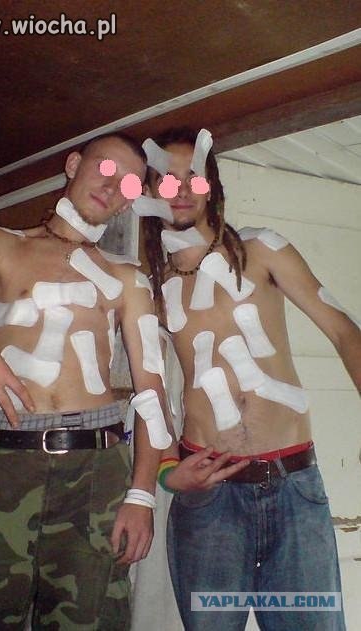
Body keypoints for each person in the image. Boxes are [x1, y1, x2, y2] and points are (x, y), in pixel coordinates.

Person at [0, 132, 181, 630]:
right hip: (3, 463)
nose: (112, 187)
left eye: (128, 185)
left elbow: (152, 396)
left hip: (96, 469)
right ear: (72, 164)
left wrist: (141, 496)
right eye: (105, 168)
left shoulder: (127, 278)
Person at [141, 126, 361, 630]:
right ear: (148, 192)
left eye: (193, 177)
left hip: (293, 488)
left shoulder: (262, 250)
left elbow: (344, 331)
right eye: (166, 180)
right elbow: (148, 395)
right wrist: (165, 473)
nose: (180, 190)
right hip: (208, 497)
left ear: (212, 187)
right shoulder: (150, 286)